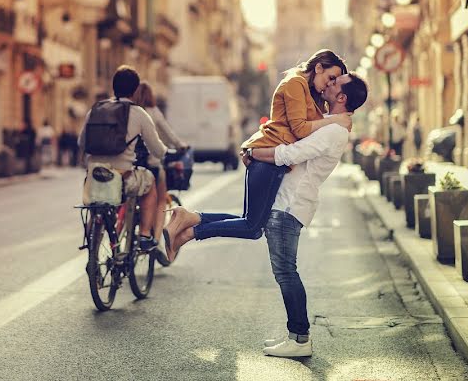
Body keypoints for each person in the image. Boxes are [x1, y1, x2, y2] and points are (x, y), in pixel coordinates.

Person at [163, 50, 351, 260]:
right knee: (252, 227)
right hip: (266, 159)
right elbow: (299, 129)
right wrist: (335, 120)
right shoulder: (295, 83)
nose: (329, 83)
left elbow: (310, 129)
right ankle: (190, 232)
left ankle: (189, 218)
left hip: (272, 160)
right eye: (330, 77)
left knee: (250, 222)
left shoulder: (309, 92)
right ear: (318, 67)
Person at [248, 73, 369, 358]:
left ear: (342, 98)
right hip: (290, 203)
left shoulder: (334, 131)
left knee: (286, 272)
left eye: (334, 84)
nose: (327, 84)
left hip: (291, 205)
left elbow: (290, 155)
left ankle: (300, 338)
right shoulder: (332, 125)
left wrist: (253, 153)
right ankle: (297, 335)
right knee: (286, 272)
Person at [79, 66, 168, 250]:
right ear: (135, 90)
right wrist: (165, 151)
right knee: (149, 183)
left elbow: (82, 142)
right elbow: (156, 149)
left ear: (113, 87)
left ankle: (92, 240)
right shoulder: (138, 113)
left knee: (98, 204)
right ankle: (144, 235)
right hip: (123, 177)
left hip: (95, 175)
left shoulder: (96, 109)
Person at [131, 81, 188, 261]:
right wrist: (180, 146)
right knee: (160, 199)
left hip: (131, 164)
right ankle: (154, 239)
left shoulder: (129, 111)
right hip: (151, 164)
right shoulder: (152, 112)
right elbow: (168, 134)